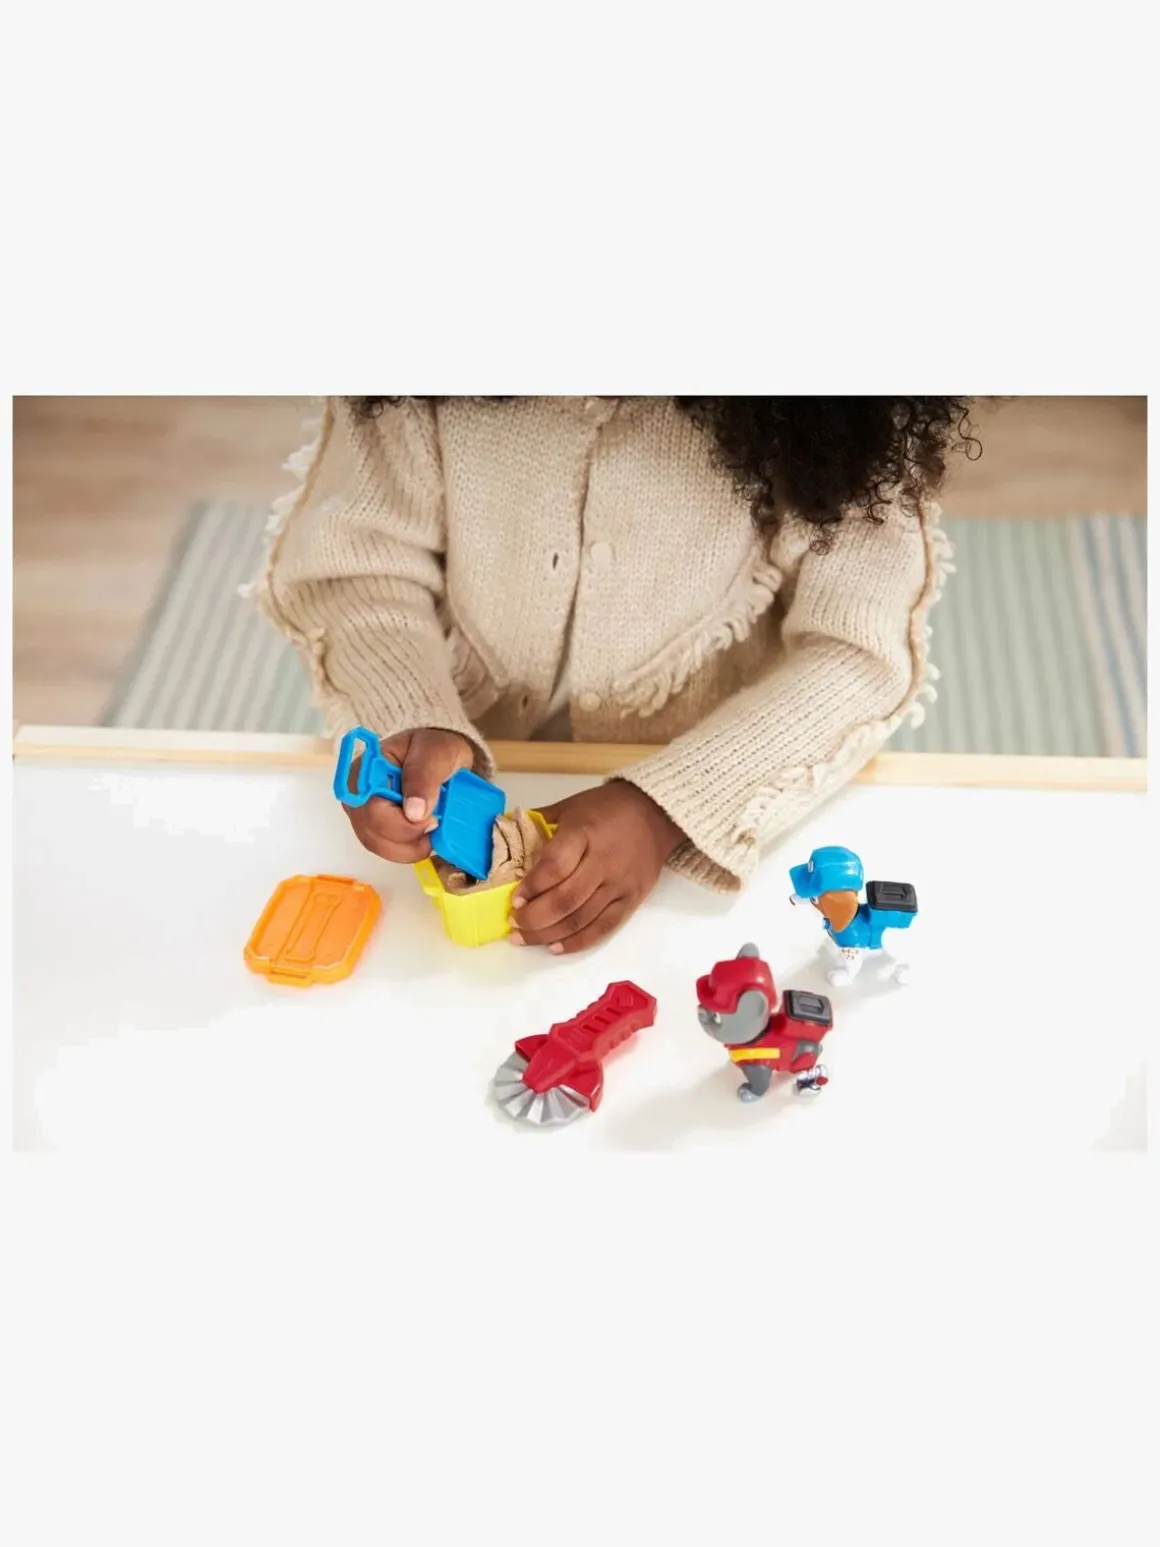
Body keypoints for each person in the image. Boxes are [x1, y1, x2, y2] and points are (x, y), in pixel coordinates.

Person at [257, 396, 971, 954]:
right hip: (475, 743)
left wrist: (663, 809)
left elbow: (858, 655)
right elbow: (355, 571)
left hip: (715, 781)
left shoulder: (844, 408)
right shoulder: (413, 394)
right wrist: (409, 714)